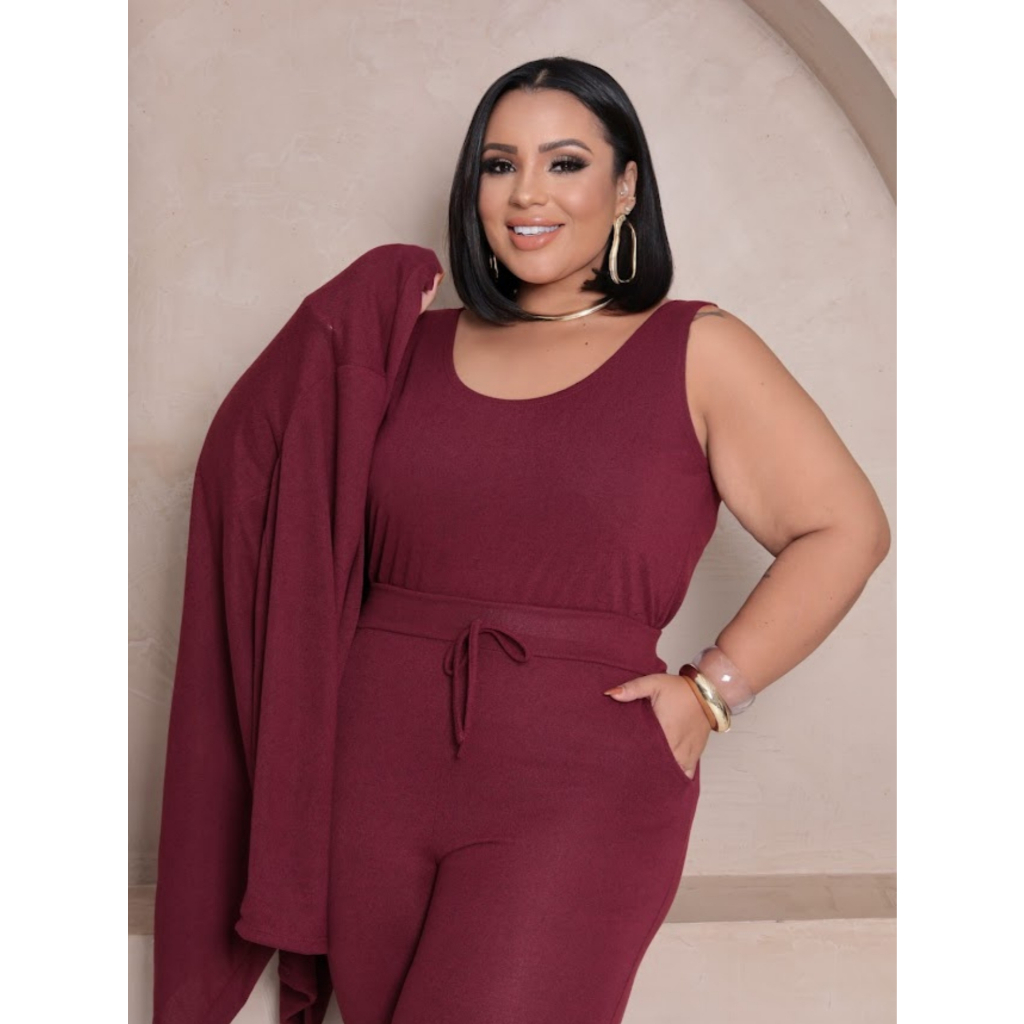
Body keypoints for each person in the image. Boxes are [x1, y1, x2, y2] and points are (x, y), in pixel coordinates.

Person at [325, 56, 890, 1023]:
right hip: (369, 774)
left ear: (626, 187)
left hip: (577, 783)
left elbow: (846, 527)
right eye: (499, 164)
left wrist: (711, 691)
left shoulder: (697, 346)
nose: (528, 193)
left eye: (566, 162)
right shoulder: (400, 346)